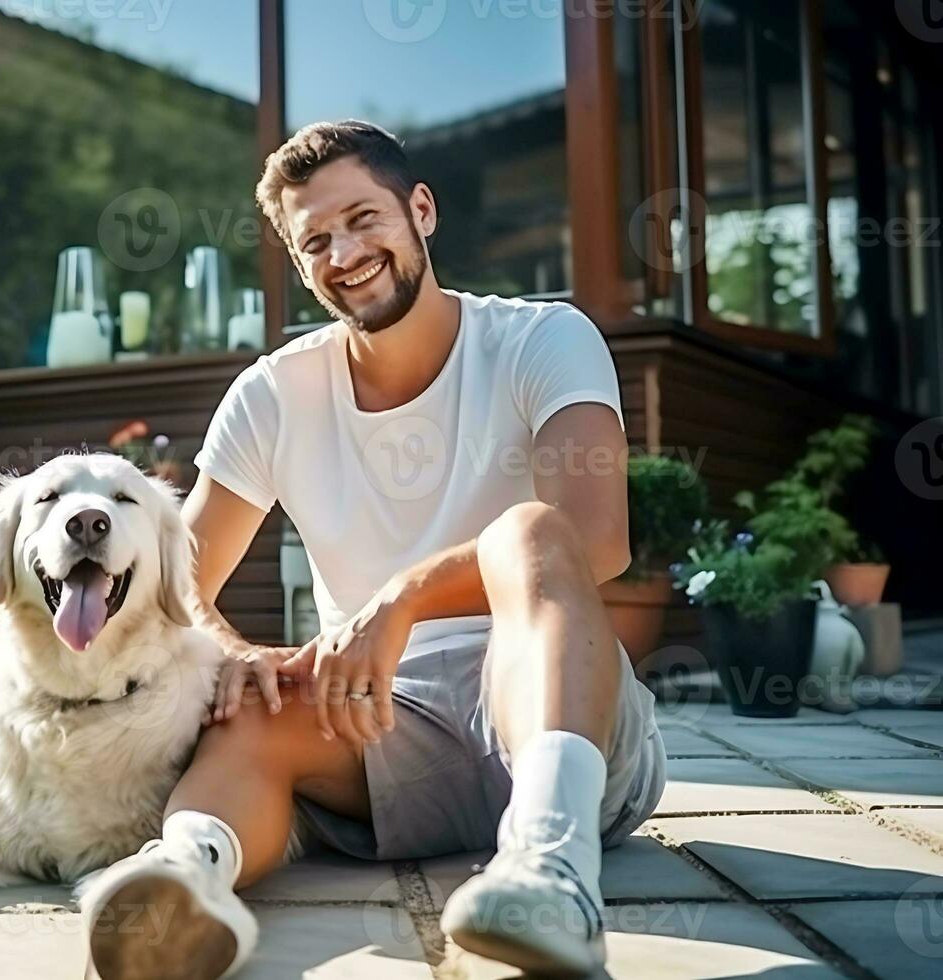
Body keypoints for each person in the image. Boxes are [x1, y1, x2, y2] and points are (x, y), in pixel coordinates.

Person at [80, 120, 666, 979]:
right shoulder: (275, 394)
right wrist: (239, 654)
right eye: (314, 239)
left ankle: (552, 871)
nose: (344, 252)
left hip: (556, 700)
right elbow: (177, 581)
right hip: (378, 728)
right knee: (252, 702)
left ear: (420, 210)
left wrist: (400, 604)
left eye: (363, 218)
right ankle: (183, 887)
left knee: (530, 530)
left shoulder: (542, 339)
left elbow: (599, 540)